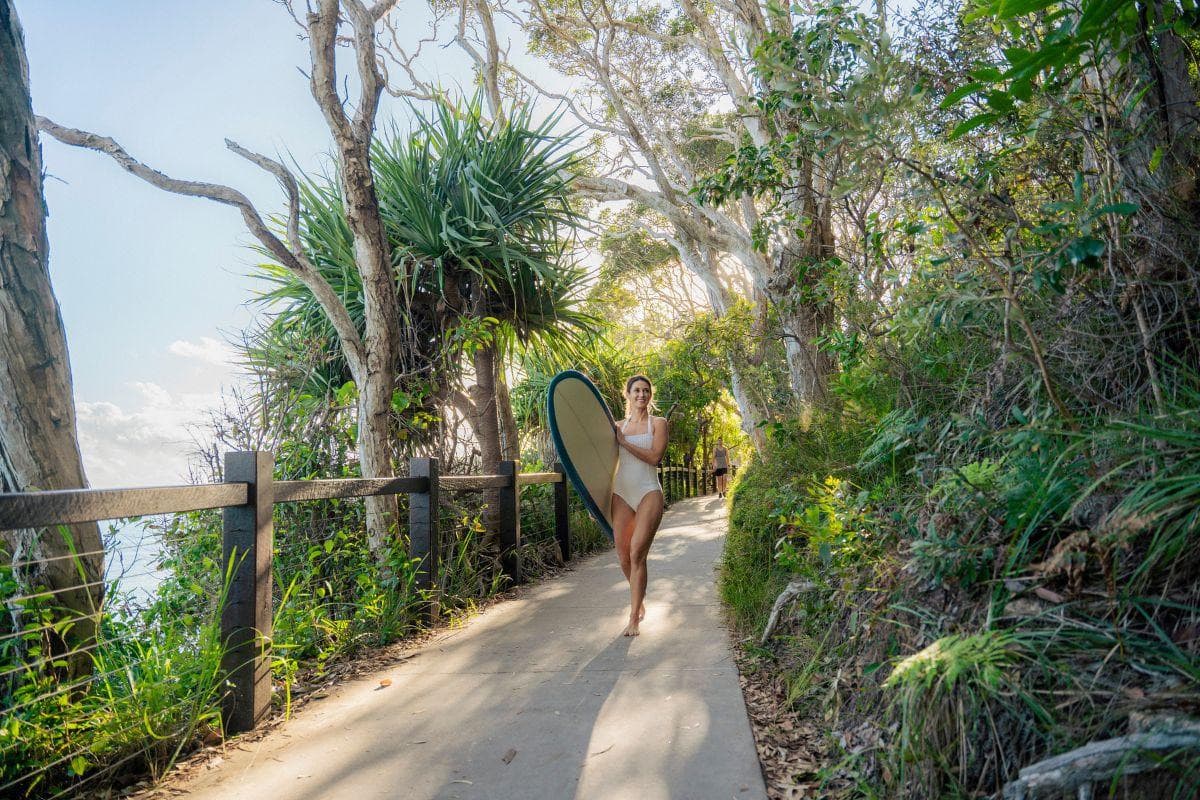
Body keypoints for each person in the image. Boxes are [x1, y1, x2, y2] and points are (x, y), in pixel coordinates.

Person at [611, 375, 668, 636]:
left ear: (650, 395)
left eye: (646, 391)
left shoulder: (658, 423)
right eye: (636, 391)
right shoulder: (616, 426)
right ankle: (639, 598)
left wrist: (624, 442)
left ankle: (633, 617)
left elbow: (655, 457)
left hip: (648, 491)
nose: (641, 395)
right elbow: (602, 466)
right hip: (621, 493)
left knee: (637, 553)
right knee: (623, 557)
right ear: (628, 394)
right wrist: (594, 503)